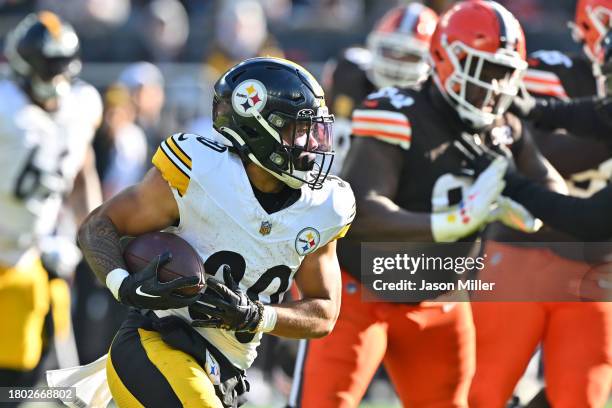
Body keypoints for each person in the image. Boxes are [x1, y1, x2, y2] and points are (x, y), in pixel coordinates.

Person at [294, 2, 562, 407]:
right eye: (483, 69)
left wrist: (532, 204)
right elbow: (362, 210)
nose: (494, 86)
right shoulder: (396, 110)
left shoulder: (503, 127)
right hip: (359, 290)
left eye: (503, 73)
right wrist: (450, 222)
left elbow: (551, 187)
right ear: (444, 59)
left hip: (439, 300)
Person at [76, 57, 355, 407]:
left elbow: (324, 312)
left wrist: (257, 315)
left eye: (313, 130)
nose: (312, 143)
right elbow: (98, 226)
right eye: (298, 130)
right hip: (157, 342)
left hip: (226, 372)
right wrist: (124, 285)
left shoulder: (324, 205)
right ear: (259, 130)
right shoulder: (199, 173)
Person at [468, 2, 612, 406]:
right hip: (524, 249)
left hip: (596, 260)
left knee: (580, 398)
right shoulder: (553, 68)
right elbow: (543, 152)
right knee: (481, 393)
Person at [0, 11, 102, 393]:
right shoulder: (5, 107)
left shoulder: (80, 108)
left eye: (62, 69)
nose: (56, 80)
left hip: (29, 257)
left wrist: (91, 233)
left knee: (26, 376)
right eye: (48, 68)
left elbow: (81, 172)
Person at [322, 2, 438, 173]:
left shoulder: (434, 98)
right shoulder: (348, 73)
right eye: (390, 51)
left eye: (410, 56)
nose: (396, 63)